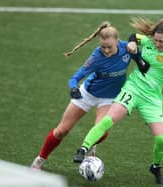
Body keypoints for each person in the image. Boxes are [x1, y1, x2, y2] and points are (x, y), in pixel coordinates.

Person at [73, 17, 163, 184]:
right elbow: (133, 36)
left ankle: (156, 166)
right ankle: (83, 148)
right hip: (133, 88)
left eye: (161, 42)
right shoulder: (149, 41)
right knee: (109, 119)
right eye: (155, 40)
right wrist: (131, 44)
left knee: (161, 139)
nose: (156, 44)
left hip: (152, 98)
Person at [31, 21, 138, 170]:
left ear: (118, 42)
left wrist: (134, 42)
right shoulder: (96, 57)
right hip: (88, 94)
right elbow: (74, 78)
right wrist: (73, 88)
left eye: (109, 47)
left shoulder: (127, 49)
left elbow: (145, 47)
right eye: (103, 47)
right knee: (62, 130)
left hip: (110, 97)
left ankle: (91, 146)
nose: (106, 50)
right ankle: (40, 159)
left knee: (102, 130)